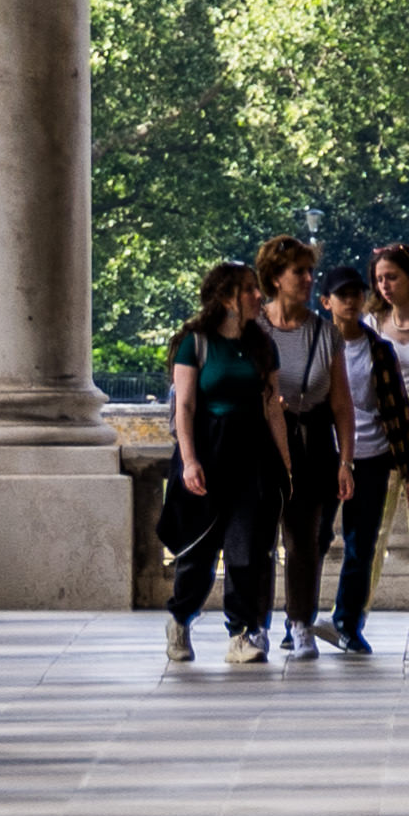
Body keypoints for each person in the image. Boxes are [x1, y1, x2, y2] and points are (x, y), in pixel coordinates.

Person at [158, 260, 278, 672]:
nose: (258, 296)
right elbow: (185, 407)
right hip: (209, 452)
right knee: (199, 551)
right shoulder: (195, 343)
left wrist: (285, 464)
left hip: (251, 454)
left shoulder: (261, 344)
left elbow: (273, 408)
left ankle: (241, 632)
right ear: (227, 297)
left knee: (247, 550)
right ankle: (180, 618)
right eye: (248, 289)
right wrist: (190, 461)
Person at [321, 252, 409, 657]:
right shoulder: (317, 345)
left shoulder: (379, 349)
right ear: (326, 302)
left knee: (361, 545)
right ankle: (299, 620)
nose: (351, 301)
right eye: (342, 295)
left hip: (373, 456)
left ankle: (348, 623)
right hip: (325, 456)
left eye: (356, 294)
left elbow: (399, 409)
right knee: (313, 540)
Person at [254, 237, 343, 662]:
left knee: (304, 539)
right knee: (258, 538)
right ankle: (254, 625)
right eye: (299, 272)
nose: (309, 279)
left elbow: (341, 403)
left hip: (312, 442)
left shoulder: (325, 332)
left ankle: (301, 623)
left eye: (311, 271)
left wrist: (347, 460)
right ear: (275, 278)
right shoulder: (253, 329)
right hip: (262, 442)